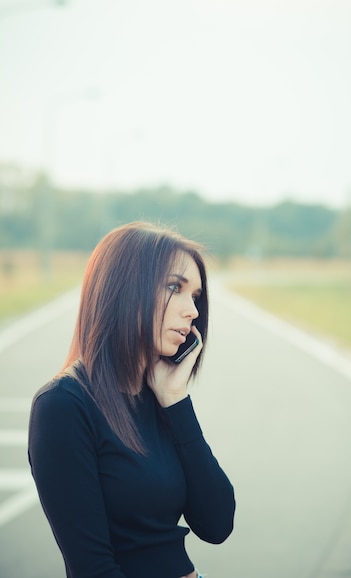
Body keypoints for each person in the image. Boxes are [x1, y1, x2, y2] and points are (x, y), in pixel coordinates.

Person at [28, 221, 235, 578]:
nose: (193, 311)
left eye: (196, 296)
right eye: (175, 287)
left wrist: (175, 401)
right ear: (126, 289)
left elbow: (217, 524)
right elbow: (92, 569)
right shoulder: (62, 406)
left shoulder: (158, 396)